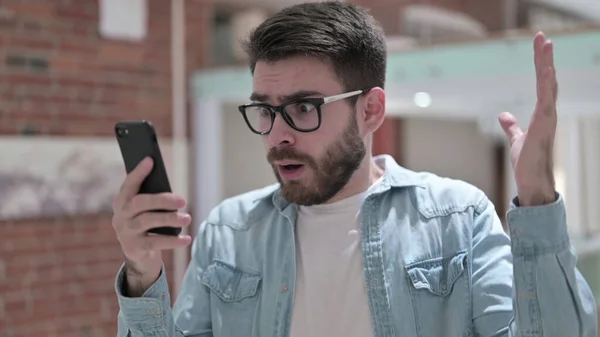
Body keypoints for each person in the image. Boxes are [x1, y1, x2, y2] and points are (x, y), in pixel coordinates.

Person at [112, 2, 597, 337]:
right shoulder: (229, 231)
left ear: (370, 110)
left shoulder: (456, 219)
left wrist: (537, 199)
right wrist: (142, 271)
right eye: (265, 109)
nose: (278, 134)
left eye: (304, 108)